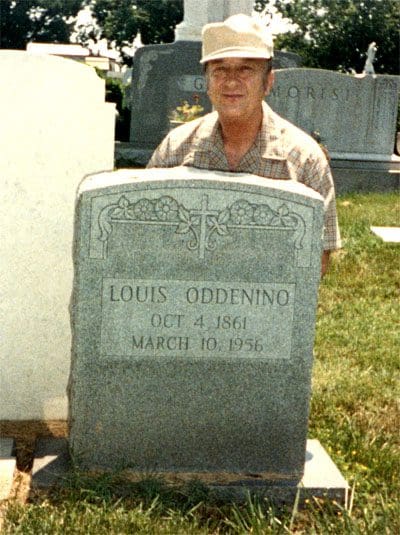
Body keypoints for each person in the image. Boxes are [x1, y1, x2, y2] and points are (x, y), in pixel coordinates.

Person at [147, 14, 341, 275]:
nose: (230, 81)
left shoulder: (304, 160)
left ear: (268, 82)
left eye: (246, 69)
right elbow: (144, 235)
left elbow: (317, 261)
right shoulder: (175, 149)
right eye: (220, 69)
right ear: (207, 82)